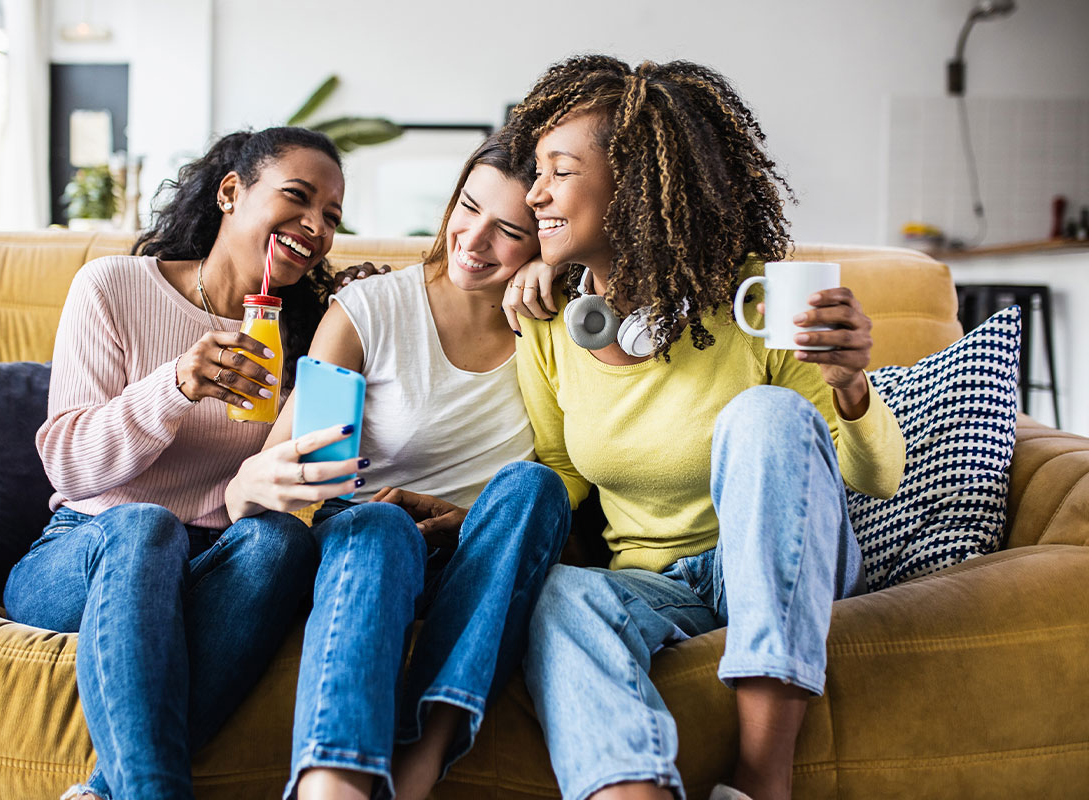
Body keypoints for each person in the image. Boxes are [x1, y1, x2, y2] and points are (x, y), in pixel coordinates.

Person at [499, 56, 905, 800]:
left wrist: (851, 385)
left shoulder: (759, 300)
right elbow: (561, 471)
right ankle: (630, 789)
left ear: (636, 186)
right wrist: (477, 522)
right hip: (658, 585)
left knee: (764, 414)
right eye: (535, 173)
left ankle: (761, 779)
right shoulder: (551, 322)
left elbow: (873, 478)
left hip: (785, 561)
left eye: (559, 170)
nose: (535, 194)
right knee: (559, 595)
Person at [3, 126, 363, 800]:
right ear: (232, 192)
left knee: (281, 543)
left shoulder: (303, 333)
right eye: (299, 197)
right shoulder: (111, 287)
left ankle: (114, 790)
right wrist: (175, 386)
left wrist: (361, 317)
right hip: (88, 550)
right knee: (146, 526)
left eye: (332, 217)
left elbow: (280, 489)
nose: (315, 226)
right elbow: (69, 467)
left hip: (210, 563)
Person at [224, 134, 570, 800]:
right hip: (368, 545)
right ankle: (334, 784)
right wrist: (265, 483)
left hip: (484, 559)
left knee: (533, 488)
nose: (472, 240)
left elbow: (573, 489)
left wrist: (468, 523)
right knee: (378, 527)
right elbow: (283, 471)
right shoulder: (371, 309)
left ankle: (419, 767)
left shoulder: (555, 330)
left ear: (545, 240)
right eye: (467, 208)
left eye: (509, 231)